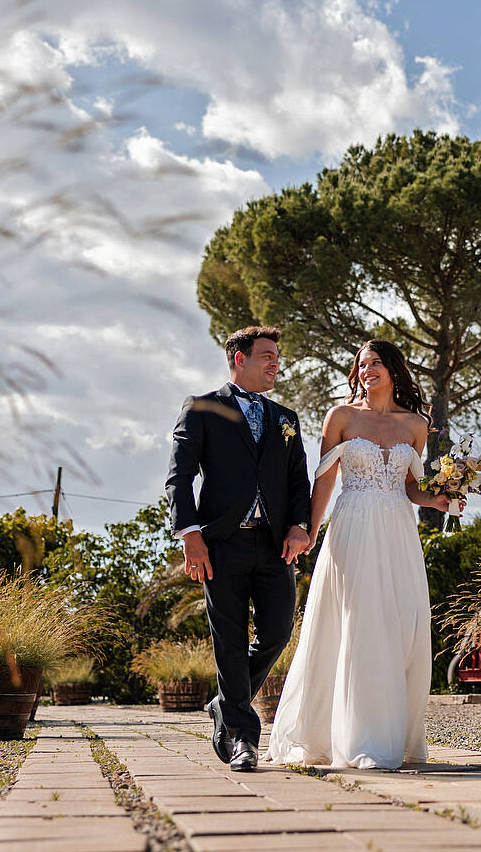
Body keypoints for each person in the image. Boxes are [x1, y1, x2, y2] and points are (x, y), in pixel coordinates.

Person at [266, 339, 451, 769]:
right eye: (361, 364)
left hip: (399, 534)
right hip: (352, 526)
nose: (366, 370)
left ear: (393, 369)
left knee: (401, 624)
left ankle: (391, 731)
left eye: (375, 363)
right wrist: (308, 530)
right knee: (357, 623)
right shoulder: (341, 417)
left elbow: (409, 487)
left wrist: (439, 500)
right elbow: (326, 480)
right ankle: (359, 740)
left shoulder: (416, 425)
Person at [164, 326, 314, 772]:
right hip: (220, 544)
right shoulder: (202, 408)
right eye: (266, 355)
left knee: (277, 633)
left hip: (274, 546)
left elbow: (296, 480)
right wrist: (191, 537)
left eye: (277, 356)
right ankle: (242, 739)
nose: (275, 363)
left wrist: (300, 526)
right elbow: (179, 476)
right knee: (229, 642)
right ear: (238, 358)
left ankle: (225, 705)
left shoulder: (286, 417)